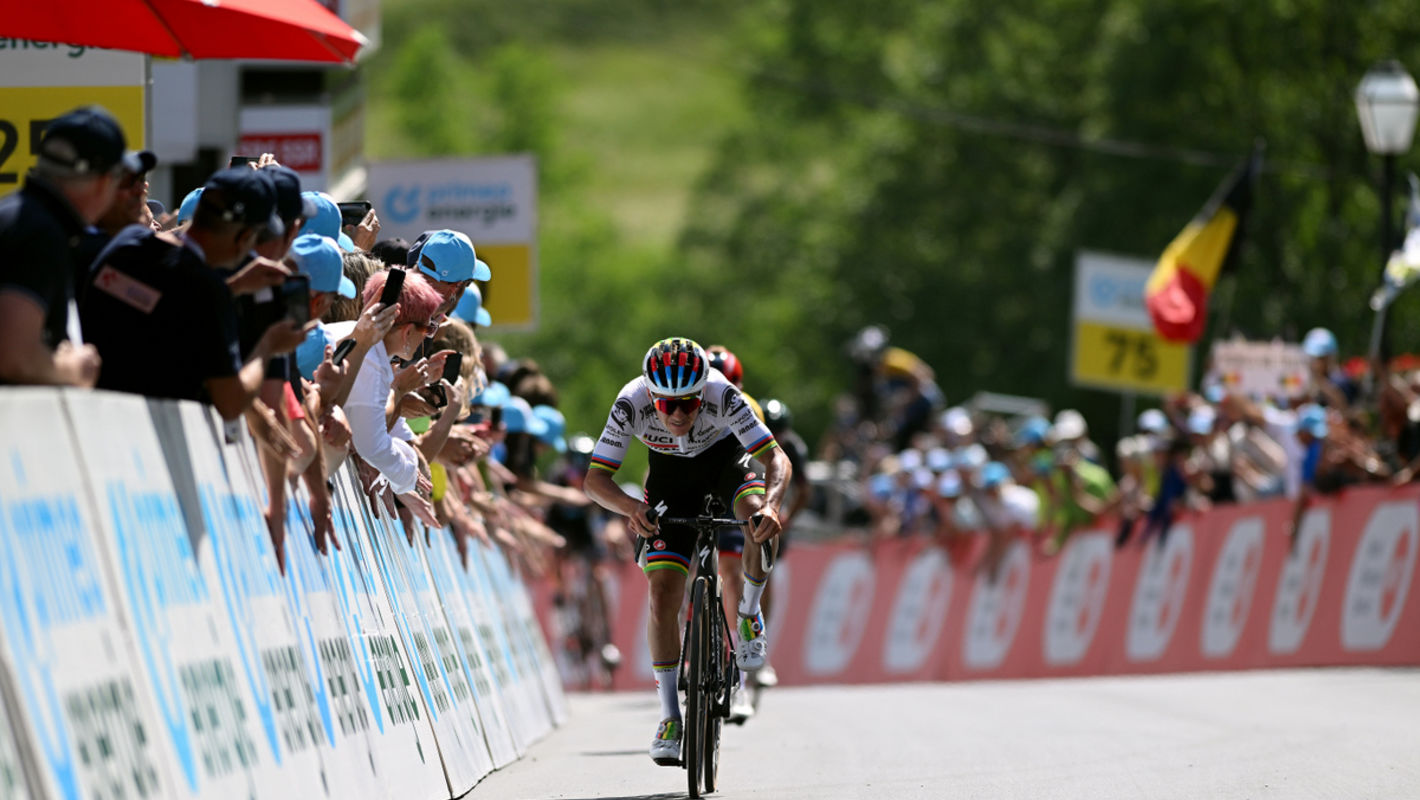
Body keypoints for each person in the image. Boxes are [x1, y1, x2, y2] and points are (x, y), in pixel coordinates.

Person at [581, 337, 792, 766]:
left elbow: (777, 460)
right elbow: (595, 480)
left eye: (689, 404)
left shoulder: (723, 394)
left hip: (724, 465)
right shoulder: (630, 402)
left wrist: (771, 505)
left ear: (703, 392)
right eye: (666, 405)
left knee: (756, 521)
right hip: (670, 482)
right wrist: (630, 508)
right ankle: (670, 717)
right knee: (661, 594)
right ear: (650, 396)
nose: (678, 414)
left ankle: (748, 614)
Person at [81, 167, 309, 420]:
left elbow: (166, 304)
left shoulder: (129, 242)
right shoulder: (206, 291)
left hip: (83, 419)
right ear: (244, 237)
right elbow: (231, 402)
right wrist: (268, 345)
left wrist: (232, 288)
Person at [0, 106, 133, 386]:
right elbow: (13, 356)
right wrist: (74, 369)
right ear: (103, 182)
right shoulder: (41, 235)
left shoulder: (15, 215)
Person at [342, 268, 449, 529]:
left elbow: (393, 433)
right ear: (406, 332)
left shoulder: (377, 355)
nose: (427, 337)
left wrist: (404, 485)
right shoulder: (373, 361)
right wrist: (408, 475)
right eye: (426, 328)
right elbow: (372, 445)